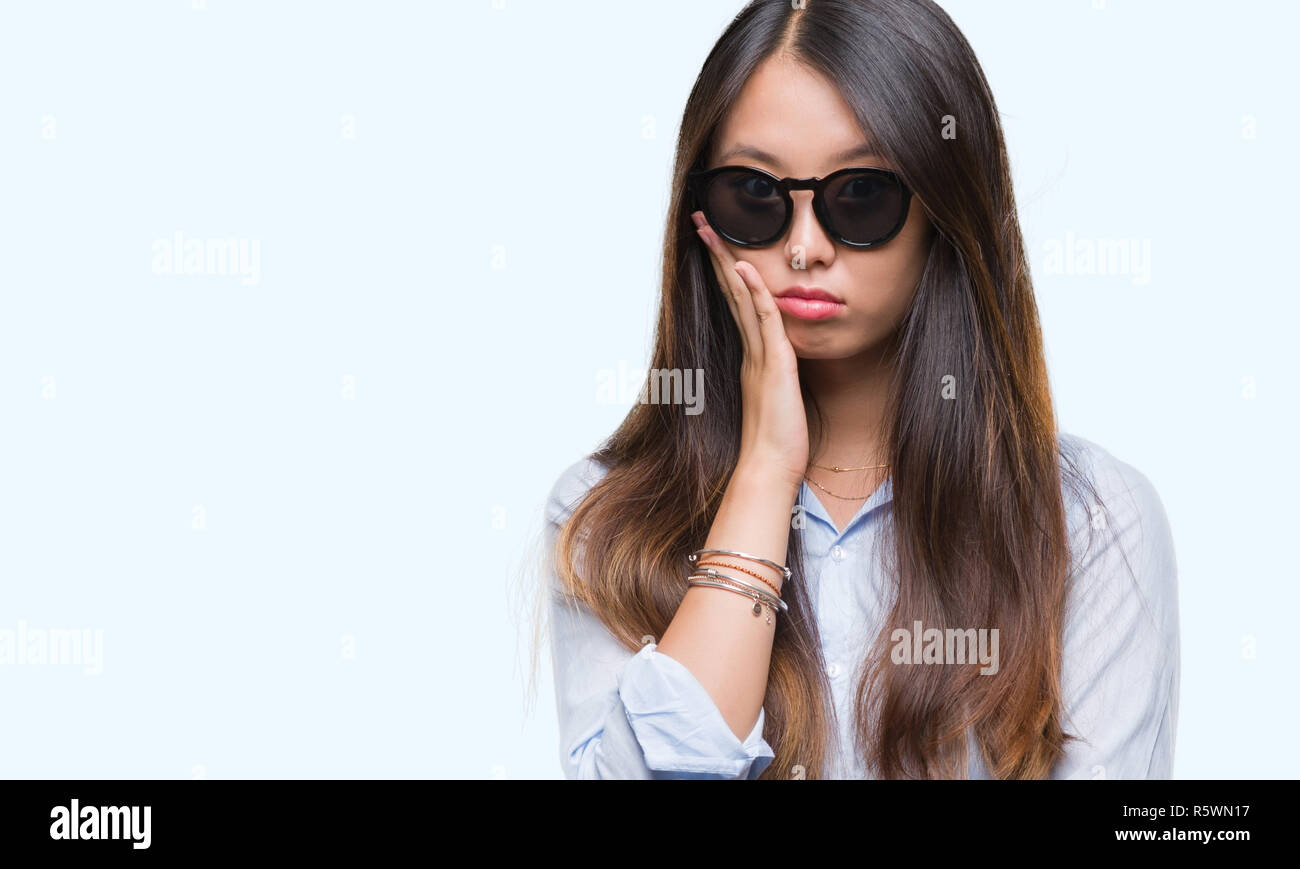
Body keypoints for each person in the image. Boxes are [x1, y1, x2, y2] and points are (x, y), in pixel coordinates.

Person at [541, 0, 1178, 779]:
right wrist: (765, 473)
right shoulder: (608, 519)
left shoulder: (1092, 524)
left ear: (944, 207)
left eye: (860, 196)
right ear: (701, 214)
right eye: (755, 194)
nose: (804, 248)